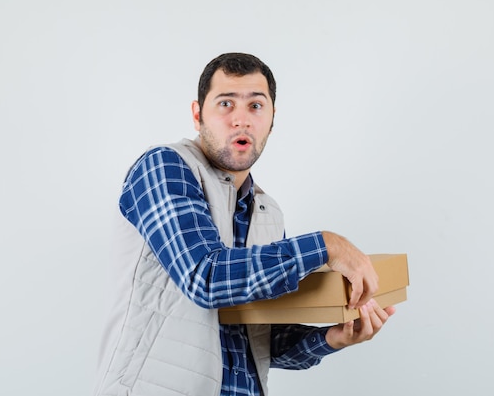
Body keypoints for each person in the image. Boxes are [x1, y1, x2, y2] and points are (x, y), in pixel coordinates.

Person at [93, 52, 396, 396]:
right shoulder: (162, 167)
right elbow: (205, 277)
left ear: (272, 118)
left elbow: (260, 340)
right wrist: (327, 244)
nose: (241, 120)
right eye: (225, 104)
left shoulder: (268, 211)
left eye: (256, 106)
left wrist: (332, 338)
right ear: (197, 114)